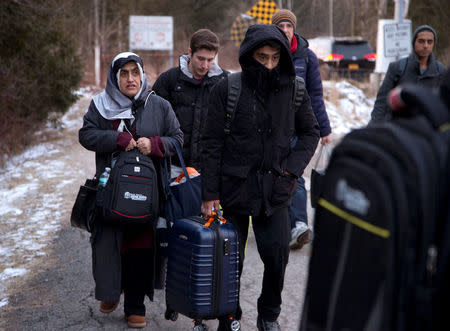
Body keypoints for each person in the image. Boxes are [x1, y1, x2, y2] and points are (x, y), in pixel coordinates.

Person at [201, 24, 320, 331]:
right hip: (233, 190)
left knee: (277, 255)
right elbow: (211, 143)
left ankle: (269, 315)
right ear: (249, 56)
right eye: (262, 57)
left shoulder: (295, 88)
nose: (268, 64)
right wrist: (209, 193)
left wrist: (291, 170)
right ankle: (229, 316)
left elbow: (310, 132)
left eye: (275, 57)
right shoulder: (228, 88)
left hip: (276, 190)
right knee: (230, 263)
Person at [79, 52, 183, 329]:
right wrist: (116, 138)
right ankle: (111, 291)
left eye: (134, 72)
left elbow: (178, 139)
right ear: (115, 77)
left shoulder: (158, 105)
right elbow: (86, 135)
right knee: (109, 242)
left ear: (142, 75)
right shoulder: (101, 105)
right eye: (123, 73)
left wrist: (157, 144)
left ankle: (135, 305)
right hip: (110, 191)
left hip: (147, 193)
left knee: (140, 244)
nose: (130, 79)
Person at [271, 9, 332, 250]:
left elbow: (316, 94)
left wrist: (324, 129)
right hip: (271, 129)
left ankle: (298, 224)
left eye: (289, 26)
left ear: (294, 28)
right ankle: (280, 222)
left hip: (298, 128)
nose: (285, 30)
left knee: (293, 175)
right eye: (281, 26)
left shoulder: (306, 57)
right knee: (273, 174)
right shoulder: (267, 52)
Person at [152, 28, 228, 170]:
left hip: (211, 167)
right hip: (172, 165)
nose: (205, 65)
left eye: (210, 60)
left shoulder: (226, 82)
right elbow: (152, 121)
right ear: (190, 52)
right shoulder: (168, 80)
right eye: (200, 58)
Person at [370, 25, 446, 123]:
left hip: (427, 130)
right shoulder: (398, 67)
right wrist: (375, 127)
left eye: (429, 42)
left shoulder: (439, 71)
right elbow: (382, 102)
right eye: (421, 41)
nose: (426, 45)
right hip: (398, 129)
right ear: (414, 42)